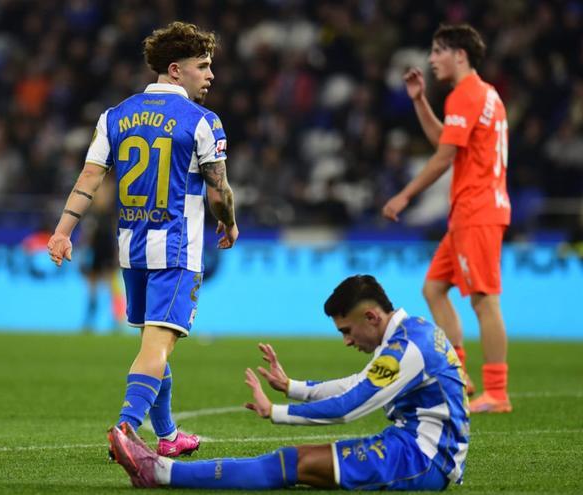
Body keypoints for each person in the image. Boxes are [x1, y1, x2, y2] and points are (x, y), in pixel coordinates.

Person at [47, 21, 239, 457]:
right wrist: (228, 222)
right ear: (176, 70)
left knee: (154, 344)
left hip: (131, 251)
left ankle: (168, 436)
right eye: (203, 66)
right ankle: (127, 429)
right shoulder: (204, 121)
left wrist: (63, 231)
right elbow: (218, 190)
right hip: (176, 250)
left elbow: (89, 179)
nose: (210, 76)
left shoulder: (114, 116)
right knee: (157, 346)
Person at [109, 274, 469, 490]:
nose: (347, 340)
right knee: (293, 463)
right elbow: (357, 383)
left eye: (347, 330)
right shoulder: (411, 332)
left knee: (290, 464)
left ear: (371, 316)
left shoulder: (407, 347)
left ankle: (159, 472)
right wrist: (292, 386)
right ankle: (164, 471)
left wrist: (275, 411)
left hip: (424, 459)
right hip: (416, 446)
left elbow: (351, 405)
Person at [382, 24, 512, 413]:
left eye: (439, 51)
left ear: (460, 55)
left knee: (485, 300)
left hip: (478, 210)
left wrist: (405, 195)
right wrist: (421, 101)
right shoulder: (484, 95)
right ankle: (461, 371)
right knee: (434, 288)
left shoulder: (465, 95)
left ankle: (497, 391)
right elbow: (449, 142)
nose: (432, 58)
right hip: (472, 210)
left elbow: (443, 157)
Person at [78, 177, 124, 333]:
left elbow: (117, 235)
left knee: (113, 287)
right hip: (95, 254)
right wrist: (83, 253)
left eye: (105, 192)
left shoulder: (112, 215)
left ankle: (117, 320)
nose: (102, 196)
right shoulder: (92, 215)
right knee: (92, 290)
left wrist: (117, 255)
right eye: (99, 193)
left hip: (108, 253)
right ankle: (90, 320)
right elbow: (86, 237)